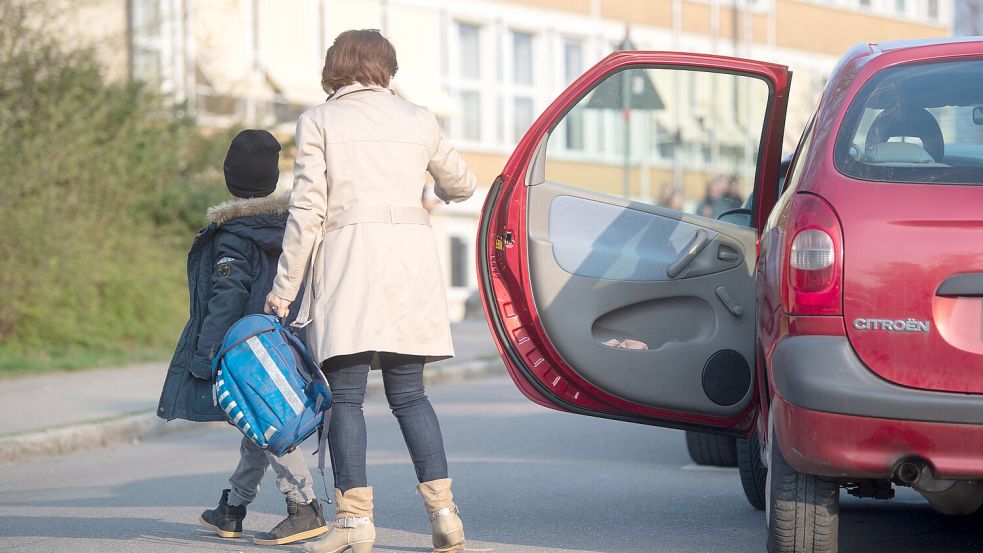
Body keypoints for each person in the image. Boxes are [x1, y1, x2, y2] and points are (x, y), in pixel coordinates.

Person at [263, 29, 476, 553]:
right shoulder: (419, 118)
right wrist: (432, 191)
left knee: (347, 400)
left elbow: (307, 210)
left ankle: (355, 527)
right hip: (410, 268)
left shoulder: (319, 120)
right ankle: (445, 517)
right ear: (387, 68)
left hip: (349, 266)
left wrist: (283, 289)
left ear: (336, 66)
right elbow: (464, 185)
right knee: (411, 396)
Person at [157, 130, 328, 546]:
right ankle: (232, 508)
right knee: (259, 424)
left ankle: (303, 506)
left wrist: (206, 355)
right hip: (291, 337)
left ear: (230, 178)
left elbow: (225, 299)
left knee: (268, 419)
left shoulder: (234, 234)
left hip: (246, 348)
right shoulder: (292, 227)